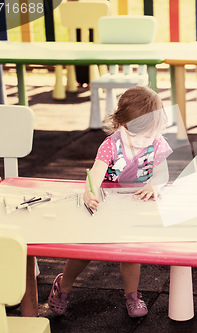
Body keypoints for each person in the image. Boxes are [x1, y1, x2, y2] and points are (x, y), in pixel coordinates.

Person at [48, 86, 172, 318]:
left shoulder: (156, 143)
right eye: (134, 135)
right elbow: (96, 173)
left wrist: (154, 185)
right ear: (120, 123)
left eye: (148, 135)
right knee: (85, 248)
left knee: (130, 252)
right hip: (104, 203)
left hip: (133, 202)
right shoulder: (110, 145)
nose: (140, 141)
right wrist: (90, 191)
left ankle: (132, 295)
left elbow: (162, 173)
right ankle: (64, 285)